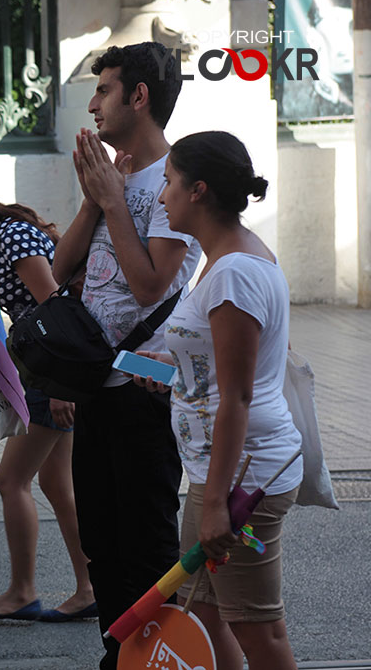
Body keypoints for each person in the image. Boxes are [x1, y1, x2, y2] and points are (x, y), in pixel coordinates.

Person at [49, 42, 202, 669]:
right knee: (101, 547)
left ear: (139, 97)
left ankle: (157, 658)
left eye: (105, 89)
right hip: (95, 389)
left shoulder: (181, 181)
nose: (93, 103)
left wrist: (114, 199)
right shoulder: (110, 178)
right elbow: (61, 272)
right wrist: (94, 198)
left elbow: (148, 288)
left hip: (144, 389)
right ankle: (118, 655)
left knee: (145, 549)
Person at [139, 131, 300, 670]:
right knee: (207, 618)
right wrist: (175, 368)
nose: (162, 197)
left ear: (198, 190)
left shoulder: (233, 272)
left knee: (258, 629)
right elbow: (223, 364)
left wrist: (214, 506)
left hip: (240, 483)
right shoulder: (228, 258)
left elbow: (238, 396)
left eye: (168, 183)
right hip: (218, 473)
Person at [0, 194, 96, 624]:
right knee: (57, 483)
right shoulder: (4, 240)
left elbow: (54, 305)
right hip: (47, 372)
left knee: (10, 480)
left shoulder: (11, 237)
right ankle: (89, 587)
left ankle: (23, 592)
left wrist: (64, 385)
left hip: (54, 373)